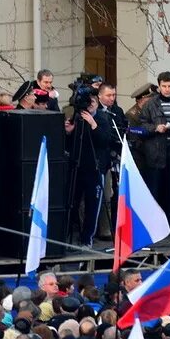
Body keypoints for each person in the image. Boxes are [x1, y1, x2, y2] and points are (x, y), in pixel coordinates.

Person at [138, 72, 170, 227]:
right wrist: (155, 128)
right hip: (157, 150)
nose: (166, 89)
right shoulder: (151, 104)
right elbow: (142, 125)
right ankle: (155, 223)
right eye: (163, 86)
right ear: (158, 86)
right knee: (156, 188)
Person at [67, 92, 111, 248]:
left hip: (95, 167)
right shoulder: (77, 118)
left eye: (93, 101)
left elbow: (105, 141)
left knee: (92, 206)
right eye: (88, 102)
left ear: (98, 103)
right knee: (72, 203)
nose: (91, 104)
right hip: (78, 167)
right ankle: (68, 236)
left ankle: (87, 239)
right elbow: (69, 144)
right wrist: (69, 131)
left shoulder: (102, 119)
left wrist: (93, 125)